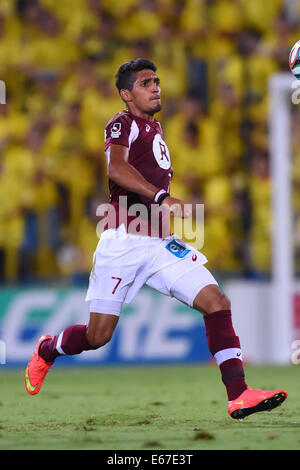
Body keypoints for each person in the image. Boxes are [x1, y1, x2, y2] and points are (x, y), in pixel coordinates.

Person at [24, 58, 287, 420]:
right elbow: (116, 168)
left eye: (157, 80)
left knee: (217, 301)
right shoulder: (121, 123)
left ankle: (239, 394)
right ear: (126, 94)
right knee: (98, 336)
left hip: (161, 244)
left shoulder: (156, 128)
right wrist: (161, 197)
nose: (156, 87)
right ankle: (49, 349)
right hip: (123, 243)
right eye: (146, 83)